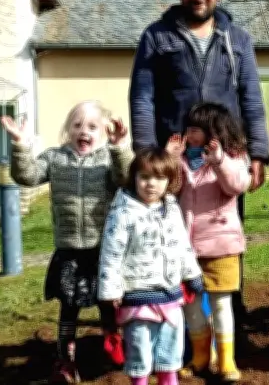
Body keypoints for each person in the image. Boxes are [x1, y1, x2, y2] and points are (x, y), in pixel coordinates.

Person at [128, 0, 269, 350]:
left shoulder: (237, 40)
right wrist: (146, 156)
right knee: (175, 241)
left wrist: (258, 153)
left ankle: (230, 323)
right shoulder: (156, 37)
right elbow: (142, 99)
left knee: (226, 239)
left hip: (225, 162)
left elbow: (253, 100)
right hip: (176, 163)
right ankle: (183, 329)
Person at [2, 101, 134, 382]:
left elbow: (125, 178)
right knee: (68, 307)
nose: (83, 131)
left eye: (92, 127)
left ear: (103, 133)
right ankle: (66, 361)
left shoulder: (107, 160)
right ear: (67, 130)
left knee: (109, 305)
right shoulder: (54, 158)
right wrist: (20, 146)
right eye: (77, 125)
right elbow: (25, 175)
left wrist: (120, 147)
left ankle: (114, 351)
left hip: (103, 250)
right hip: (69, 250)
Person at [98, 147, 205, 385]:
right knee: (140, 352)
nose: (151, 184)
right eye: (145, 177)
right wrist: (110, 291)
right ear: (134, 177)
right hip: (137, 299)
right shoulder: (123, 212)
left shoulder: (172, 209)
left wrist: (192, 273)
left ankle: (169, 380)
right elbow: (111, 254)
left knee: (169, 352)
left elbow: (182, 245)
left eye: (159, 178)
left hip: (169, 295)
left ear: (169, 180)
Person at [164, 103, 251, 382]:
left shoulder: (234, 158)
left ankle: (226, 360)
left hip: (221, 246)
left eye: (197, 128)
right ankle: (201, 356)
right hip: (187, 249)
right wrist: (170, 161)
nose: (190, 132)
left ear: (215, 132)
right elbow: (168, 190)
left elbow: (237, 185)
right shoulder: (183, 161)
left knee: (221, 303)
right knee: (190, 305)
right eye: (188, 127)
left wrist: (220, 160)